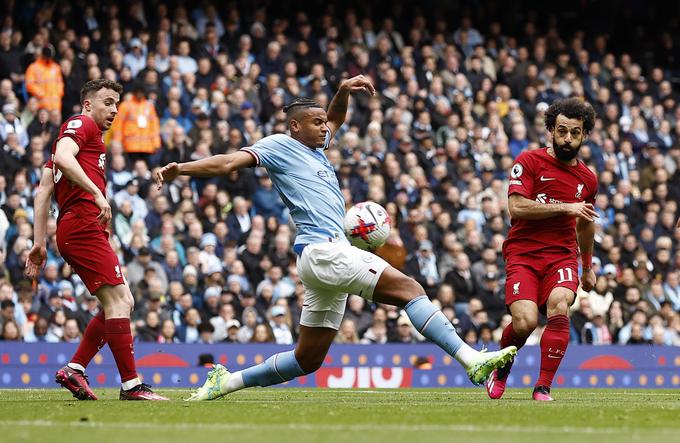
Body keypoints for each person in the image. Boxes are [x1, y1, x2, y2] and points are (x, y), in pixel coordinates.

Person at [156, 75, 517, 402]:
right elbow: (227, 163)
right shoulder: (279, 145)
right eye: (317, 123)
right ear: (294, 126)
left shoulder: (315, 148)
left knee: (307, 359)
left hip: (325, 257)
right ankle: (472, 359)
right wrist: (182, 169)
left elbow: (337, 118)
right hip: (324, 251)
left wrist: (343, 91)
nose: (325, 128)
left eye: (325, 123)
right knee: (410, 289)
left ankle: (225, 382)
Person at [25, 79, 167, 401]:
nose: (114, 110)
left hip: (78, 228)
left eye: (117, 103)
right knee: (119, 302)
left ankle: (75, 369)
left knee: (122, 302)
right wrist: (97, 195)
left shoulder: (85, 140)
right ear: (88, 104)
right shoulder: (80, 125)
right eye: (107, 102)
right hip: (83, 225)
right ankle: (132, 385)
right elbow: (63, 157)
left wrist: (39, 244)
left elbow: (44, 190)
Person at [486, 98, 598, 402]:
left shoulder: (588, 179)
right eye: (562, 131)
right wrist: (566, 207)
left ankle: (543, 387)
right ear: (551, 129)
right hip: (523, 253)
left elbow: (585, 223)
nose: (567, 139)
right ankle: (502, 365)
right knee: (525, 323)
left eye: (575, 133)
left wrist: (587, 266)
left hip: (561, 255)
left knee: (560, 304)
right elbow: (516, 206)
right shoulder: (529, 161)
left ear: (584, 134)